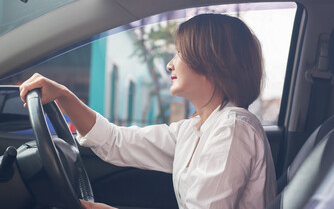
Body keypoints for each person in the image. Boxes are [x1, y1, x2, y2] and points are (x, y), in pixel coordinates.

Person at [19, 14, 276, 209]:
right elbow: (115, 141)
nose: (169, 64)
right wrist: (63, 95)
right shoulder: (194, 129)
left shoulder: (233, 129)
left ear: (210, 63)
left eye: (180, 53)